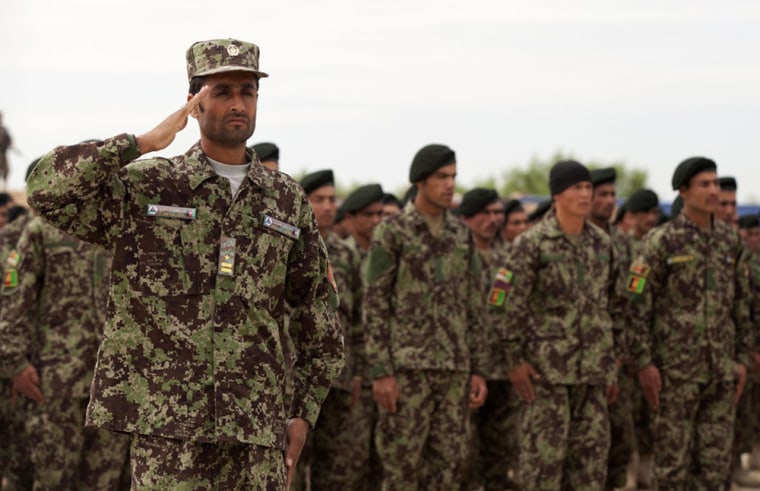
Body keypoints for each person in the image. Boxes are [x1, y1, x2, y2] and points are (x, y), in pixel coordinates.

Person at [24, 38, 344, 489]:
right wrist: (139, 143)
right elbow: (44, 189)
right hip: (169, 433)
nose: (238, 104)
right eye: (223, 92)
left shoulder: (285, 200)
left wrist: (303, 412)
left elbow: (317, 312)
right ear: (194, 102)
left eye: (247, 92)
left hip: (256, 432)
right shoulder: (151, 187)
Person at [363, 143, 487, 489]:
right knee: (402, 467)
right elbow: (375, 304)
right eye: (441, 177)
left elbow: (474, 305)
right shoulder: (392, 232)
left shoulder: (461, 235)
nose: (450, 185)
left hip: (453, 370)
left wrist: (477, 368)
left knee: (448, 467)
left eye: (453, 177)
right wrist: (381, 371)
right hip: (406, 371)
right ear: (420, 181)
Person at [628, 157, 753, 490]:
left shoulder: (731, 241)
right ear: (684, 191)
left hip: (721, 373)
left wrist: (741, 358)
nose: (713, 190)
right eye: (704, 184)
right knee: (672, 468)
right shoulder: (660, 242)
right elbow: (635, 307)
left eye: (715, 183)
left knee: (714, 468)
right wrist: (644, 363)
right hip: (675, 376)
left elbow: (741, 304)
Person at [497, 160, 621, 490]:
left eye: (587, 188)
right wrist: (514, 362)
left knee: (590, 469)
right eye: (576, 188)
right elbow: (505, 307)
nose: (585, 194)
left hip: (592, 376)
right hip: (546, 377)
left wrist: (612, 363)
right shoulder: (531, 245)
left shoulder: (602, 245)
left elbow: (615, 307)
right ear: (556, 195)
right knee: (543, 469)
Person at [0, 215, 130, 489]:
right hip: (54, 383)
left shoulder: (125, 227)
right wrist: (14, 365)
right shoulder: (43, 231)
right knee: (53, 479)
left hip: (115, 385)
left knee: (104, 481)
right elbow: (14, 301)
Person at [297, 170, 368, 490]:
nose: (327, 207)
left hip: (338, 377)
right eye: (319, 200)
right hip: (295, 379)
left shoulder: (346, 253)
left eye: (331, 200)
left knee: (336, 464)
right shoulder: (288, 244)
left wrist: (356, 373)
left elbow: (356, 318)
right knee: (293, 464)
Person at [458, 188, 521, 490]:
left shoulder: (509, 258)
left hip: (503, 368)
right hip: (467, 368)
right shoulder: (456, 254)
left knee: (501, 451)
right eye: (486, 213)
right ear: (467, 217)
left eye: (498, 213)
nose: (494, 219)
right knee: (464, 454)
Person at [588, 167, 636, 491]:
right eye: (601, 195)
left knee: (619, 436)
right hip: (582, 357)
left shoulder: (623, 243)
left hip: (618, 357)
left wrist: (621, 355)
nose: (608, 201)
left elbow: (633, 295)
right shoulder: (578, 239)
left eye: (611, 195)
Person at [0, 113, 12, 186]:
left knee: (6, 170)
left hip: (3, 152)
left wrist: (8, 144)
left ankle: (5, 185)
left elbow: (9, 139)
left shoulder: (4, 129)